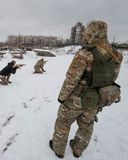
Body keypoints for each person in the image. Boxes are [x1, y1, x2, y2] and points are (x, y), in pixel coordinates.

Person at [50, 20, 123, 158]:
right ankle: (78, 149)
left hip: (76, 99)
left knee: (63, 122)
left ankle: (58, 149)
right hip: (96, 99)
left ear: (91, 33)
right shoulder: (117, 54)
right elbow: (113, 78)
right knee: (87, 125)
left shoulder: (85, 53)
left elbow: (71, 79)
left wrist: (62, 97)